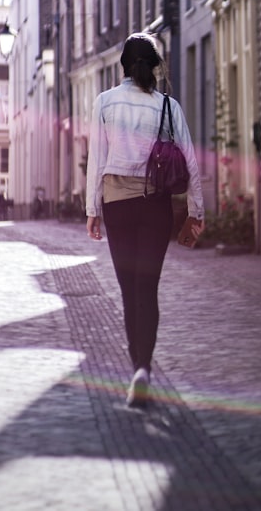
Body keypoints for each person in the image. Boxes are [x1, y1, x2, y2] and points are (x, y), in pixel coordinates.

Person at [86, 33, 204, 408]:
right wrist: (196, 213)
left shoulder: (105, 103)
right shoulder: (168, 107)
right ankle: (143, 369)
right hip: (156, 206)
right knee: (147, 289)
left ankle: (137, 367)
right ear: (155, 68)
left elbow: (96, 162)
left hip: (118, 205)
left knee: (128, 290)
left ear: (122, 67)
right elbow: (191, 163)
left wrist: (93, 210)